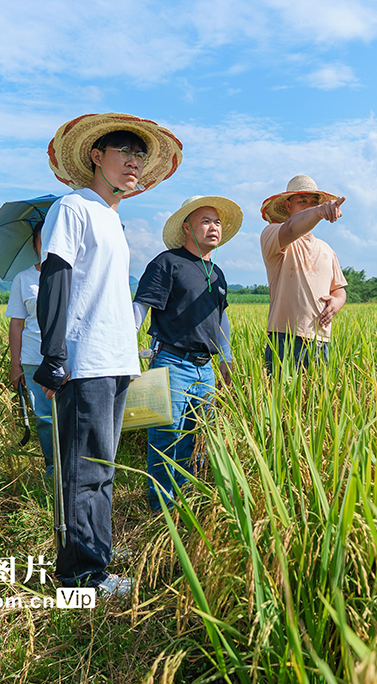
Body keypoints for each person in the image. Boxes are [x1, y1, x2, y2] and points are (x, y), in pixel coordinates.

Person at [33, 112, 183, 596]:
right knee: (84, 471)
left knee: (102, 469)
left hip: (116, 361)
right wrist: (54, 353)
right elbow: (56, 277)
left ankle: (97, 563)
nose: (134, 162)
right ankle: (79, 577)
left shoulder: (112, 218)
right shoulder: (73, 207)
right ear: (97, 156)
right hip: (86, 361)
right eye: (125, 152)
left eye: (140, 155)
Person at [133, 195, 240, 510]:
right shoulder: (167, 263)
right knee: (167, 439)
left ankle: (190, 506)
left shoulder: (217, 273)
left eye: (217, 222)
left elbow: (221, 318)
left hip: (205, 369)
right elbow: (140, 308)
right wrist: (125, 353)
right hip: (171, 363)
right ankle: (162, 512)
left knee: (199, 440)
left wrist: (227, 358)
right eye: (205, 221)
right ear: (186, 227)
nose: (213, 227)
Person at [259, 175, 348, 372]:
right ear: (288, 205)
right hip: (285, 337)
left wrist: (337, 302)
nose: (309, 206)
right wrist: (319, 211)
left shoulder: (326, 249)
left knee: (317, 392)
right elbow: (292, 228)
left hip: (321, 340)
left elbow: (339, 289)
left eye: (314, 202)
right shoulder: (274, 234)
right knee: (282, 391)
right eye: (303, 201)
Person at [5, 227, 53, 475]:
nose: (48, 246)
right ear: (34, 245)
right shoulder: (23, 279)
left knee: (71, 415)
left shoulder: (75, 274)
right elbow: (17, 323)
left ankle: (75, 465)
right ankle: (52, 467)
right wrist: (16, 365)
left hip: (70, 358)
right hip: (34, 358)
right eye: (42, 241)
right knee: (44, 417)